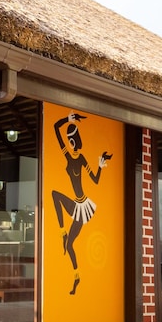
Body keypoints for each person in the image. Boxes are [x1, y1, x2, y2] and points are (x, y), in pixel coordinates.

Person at [51, 112, 111, 295]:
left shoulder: (72, 158)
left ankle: (76, 275)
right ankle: (64, 235)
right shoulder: (75, 157)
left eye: (69, 140)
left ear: (71, 142)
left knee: (70, 245)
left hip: (82, 207)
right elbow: (55, 128)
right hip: (78, 204)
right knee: (55, 195)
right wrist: (100, 165)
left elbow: (55, 128)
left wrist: (100, 166)